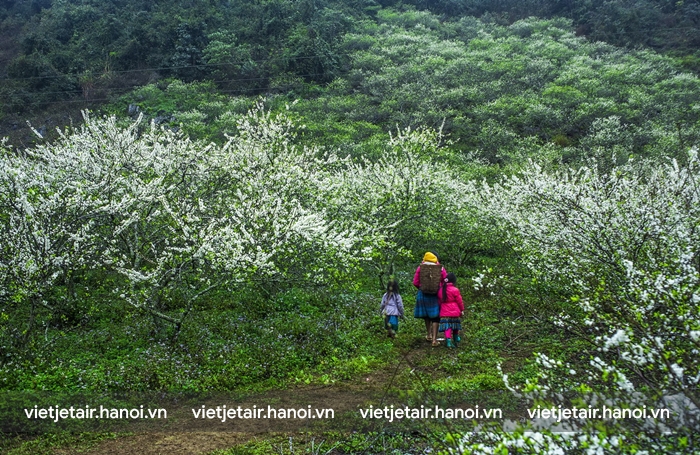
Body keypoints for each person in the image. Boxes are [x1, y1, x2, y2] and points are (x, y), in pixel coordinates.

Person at [413, 251, 447, 346]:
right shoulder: (440, 268)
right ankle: (435, 340)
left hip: (423, 294)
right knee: (436, 317)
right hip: (436, 294)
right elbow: (445, 280)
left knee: (426, 315)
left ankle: (429, 335)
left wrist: (422, 288)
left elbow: (415, 282)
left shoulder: (421, 267)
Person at [438, 272, 464, 348]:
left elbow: (439, 301)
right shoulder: (455, 290)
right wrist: (462, 309)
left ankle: (448, 341)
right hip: (455, 311)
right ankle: (456, 338)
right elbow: (459, 301)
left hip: (445, 311)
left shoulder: (441, 290)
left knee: (447, 327)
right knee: (455, 324)